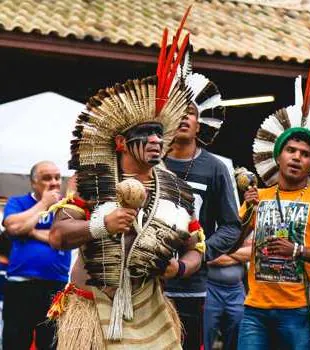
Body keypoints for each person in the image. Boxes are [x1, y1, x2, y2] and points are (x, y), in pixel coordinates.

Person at [47, 26, 204, 349]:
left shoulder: (175, 191)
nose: (156, 140)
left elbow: (196, 247)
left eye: (160, 134)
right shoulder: (91, 182)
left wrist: (181, 267)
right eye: (146, 134)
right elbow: (57, 236)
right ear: (120, 142)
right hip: (92, 306)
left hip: (150, 310)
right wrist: (100, 225)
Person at [238, 47, 310, 349]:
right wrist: (247, 211)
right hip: (255, 310)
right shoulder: (257, 197)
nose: (297, 158)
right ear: (279, 154)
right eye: (291, 151)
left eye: (305, 154)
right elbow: (233, 243)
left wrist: (297, 249)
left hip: (298, 312)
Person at [163, 43, 242, 350]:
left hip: (193, 288)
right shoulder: (149, 161)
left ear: (200, 122)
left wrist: (200, 252)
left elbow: (232, 226)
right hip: (146, 283)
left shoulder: (215, 168)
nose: (184, 117)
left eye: (191, 112)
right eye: (178, 111)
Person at [2, 161, 71, 349]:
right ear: (33, 183)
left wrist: (30, 231)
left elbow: (63, 238)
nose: (54, 182)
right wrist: (44, 204)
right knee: (15, 340)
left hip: (56, 286)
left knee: (51, 343)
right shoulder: (18, 202)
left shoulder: (67, 207)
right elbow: (13, 226)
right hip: (20, 284)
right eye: (47, 178)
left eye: (57, 177)